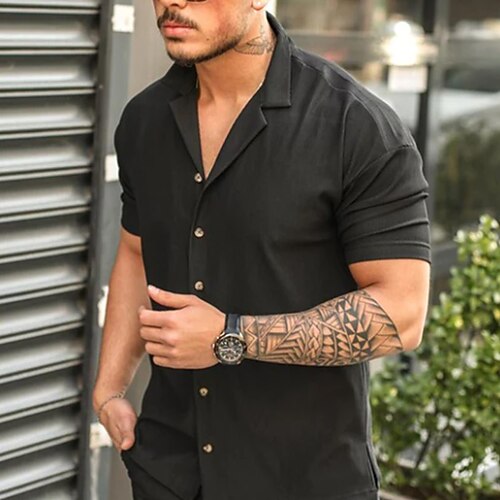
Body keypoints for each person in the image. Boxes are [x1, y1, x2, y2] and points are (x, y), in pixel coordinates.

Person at [92, 1, 432, 499]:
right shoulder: (144, 119)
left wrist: (231, 336)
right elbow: (135, 251)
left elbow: (402, 314)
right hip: (170, 474)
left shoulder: (356, 127)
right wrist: (109, 388)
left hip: (302, 481)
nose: (173, 2)